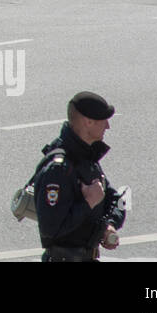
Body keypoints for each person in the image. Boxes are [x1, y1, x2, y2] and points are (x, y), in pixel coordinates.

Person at [34, 92, 126, 262]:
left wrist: (109, 225)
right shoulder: (59, 169)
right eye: (103, 120)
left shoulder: (86, 157)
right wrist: (88, 202)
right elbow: (50, 229)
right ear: (88, 122)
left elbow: (116, 200)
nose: (108, 126)